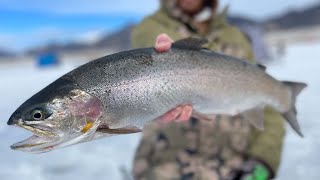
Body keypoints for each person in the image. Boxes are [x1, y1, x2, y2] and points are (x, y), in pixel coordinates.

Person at [131, 0, 285, 179]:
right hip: (165, 165)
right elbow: (156, 46)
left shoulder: (237, 37)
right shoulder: (152, 27)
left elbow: (267, 106)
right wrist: (174, 58)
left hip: (233, 166)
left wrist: (263, 161)